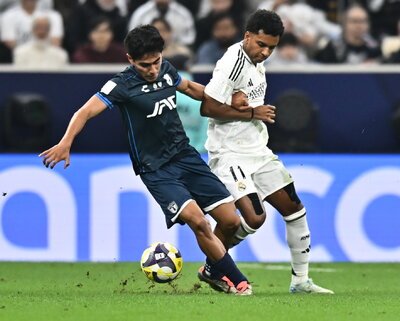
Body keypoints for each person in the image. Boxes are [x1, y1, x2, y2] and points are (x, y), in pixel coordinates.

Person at [39, 25, 252, 295]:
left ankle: (212, 270)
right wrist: (65, 142)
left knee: (231, 222)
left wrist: (229, 99)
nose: (152, 70)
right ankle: (237, 279)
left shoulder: (167, 70)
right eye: (144, 65)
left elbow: (193, 89)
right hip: (155, 168)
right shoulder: (121, 84)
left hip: (185, 156)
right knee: (199, 221)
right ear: (130, 59)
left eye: (156, 62)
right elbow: (84, 112)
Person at [200, 9, 334, 294]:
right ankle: (215, 265)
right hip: (229, 153)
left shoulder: (255, 62)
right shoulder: (232, 63)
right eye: (261, 45)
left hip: (257, 150)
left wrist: (243, 106)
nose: (265, 52)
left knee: (294, 208)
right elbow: (207, 107)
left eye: (271, 47)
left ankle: (301, 282)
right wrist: (251, 113)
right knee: (254, 218)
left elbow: (238, 100)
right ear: (248, 36)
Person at [314, 4, 381, 64]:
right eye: (354, 21)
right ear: (345, 23)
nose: (358, 26)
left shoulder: (374, 47)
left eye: (362, 21)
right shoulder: (333, 47)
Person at [128, 0, 195, 46]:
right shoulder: (140, 14)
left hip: (175, 52)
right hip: (146, 51)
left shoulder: (183, 14)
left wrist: (172, 47)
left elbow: (189, 39)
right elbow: (133, 37)